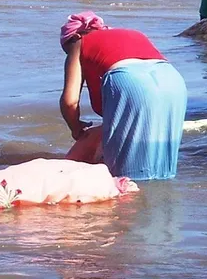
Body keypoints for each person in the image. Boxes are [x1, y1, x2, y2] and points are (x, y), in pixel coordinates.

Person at [59, 12, 187, 181]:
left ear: (73, 37)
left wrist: (76, 128)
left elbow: (70, 102)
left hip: (130, 80)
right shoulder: (133, 34)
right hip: (173, 80)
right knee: (162, 167)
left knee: (123, 177)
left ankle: (128, 202)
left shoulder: (78, 42)